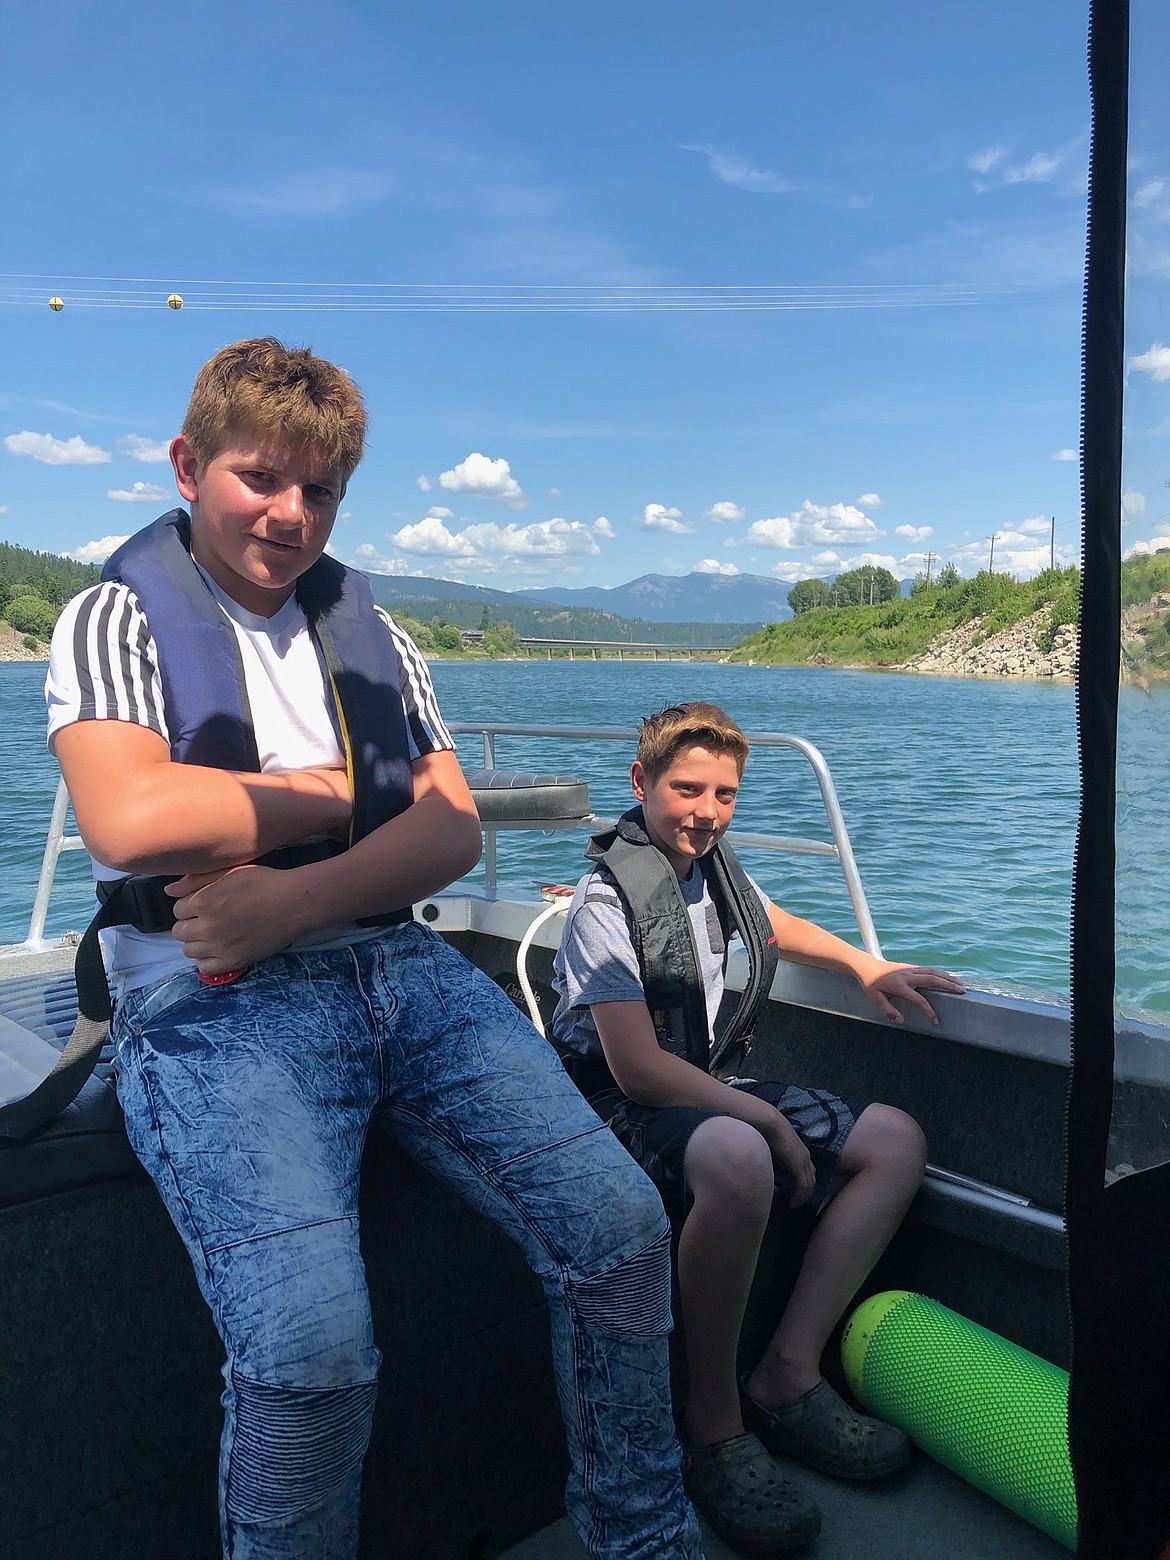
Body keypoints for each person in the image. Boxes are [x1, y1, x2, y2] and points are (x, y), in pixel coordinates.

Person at [45, 338, 703, 1560]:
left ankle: (643, 1533)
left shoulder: (373, 633)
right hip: (204, 1003)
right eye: (259, 477)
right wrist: (339, 790)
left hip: (396, 970)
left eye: (322, 492)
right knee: (308, 1353)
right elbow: (132, 819)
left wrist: (292, 896)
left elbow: (447, 829)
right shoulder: (114, 617)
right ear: (190, 465)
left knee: (620, 1230)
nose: (291, 515)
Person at [551, 700, 965, 1556]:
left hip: (700, 1081)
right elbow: (634, 1068)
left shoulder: (711, 868)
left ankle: (786, 1372)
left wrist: (865, 964)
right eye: (687, 788)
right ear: (641, 782)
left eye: (726, 794)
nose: (707, 810)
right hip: (612, 1104)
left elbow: (772, 924)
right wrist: (769, 1121)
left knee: (896, 1142)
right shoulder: (604, 899)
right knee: (741, 1152)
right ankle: (712, 1423)